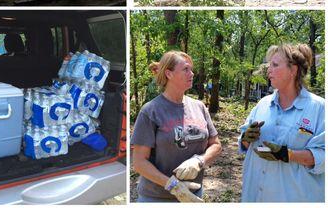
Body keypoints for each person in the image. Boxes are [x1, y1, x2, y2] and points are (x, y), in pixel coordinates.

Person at [131, 51, 222, 202]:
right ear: (169, 74)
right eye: (186, 69)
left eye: (191, 69)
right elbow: (139, 163)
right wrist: (173, 185)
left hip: (193, 194)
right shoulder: (151, 111)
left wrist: (200, 160)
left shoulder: (199, 107)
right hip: (156, 198)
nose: (192, 74)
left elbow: (216, 145)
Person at [239, 43, 325, 202]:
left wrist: (288, 155)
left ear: (293, 70)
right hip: (254, 196)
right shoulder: (262, 104)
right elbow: (243, 145)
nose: (268, 70)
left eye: (275, 65)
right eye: (269, 64)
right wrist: (246, 138)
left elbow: (323, 157)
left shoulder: (319, 109)